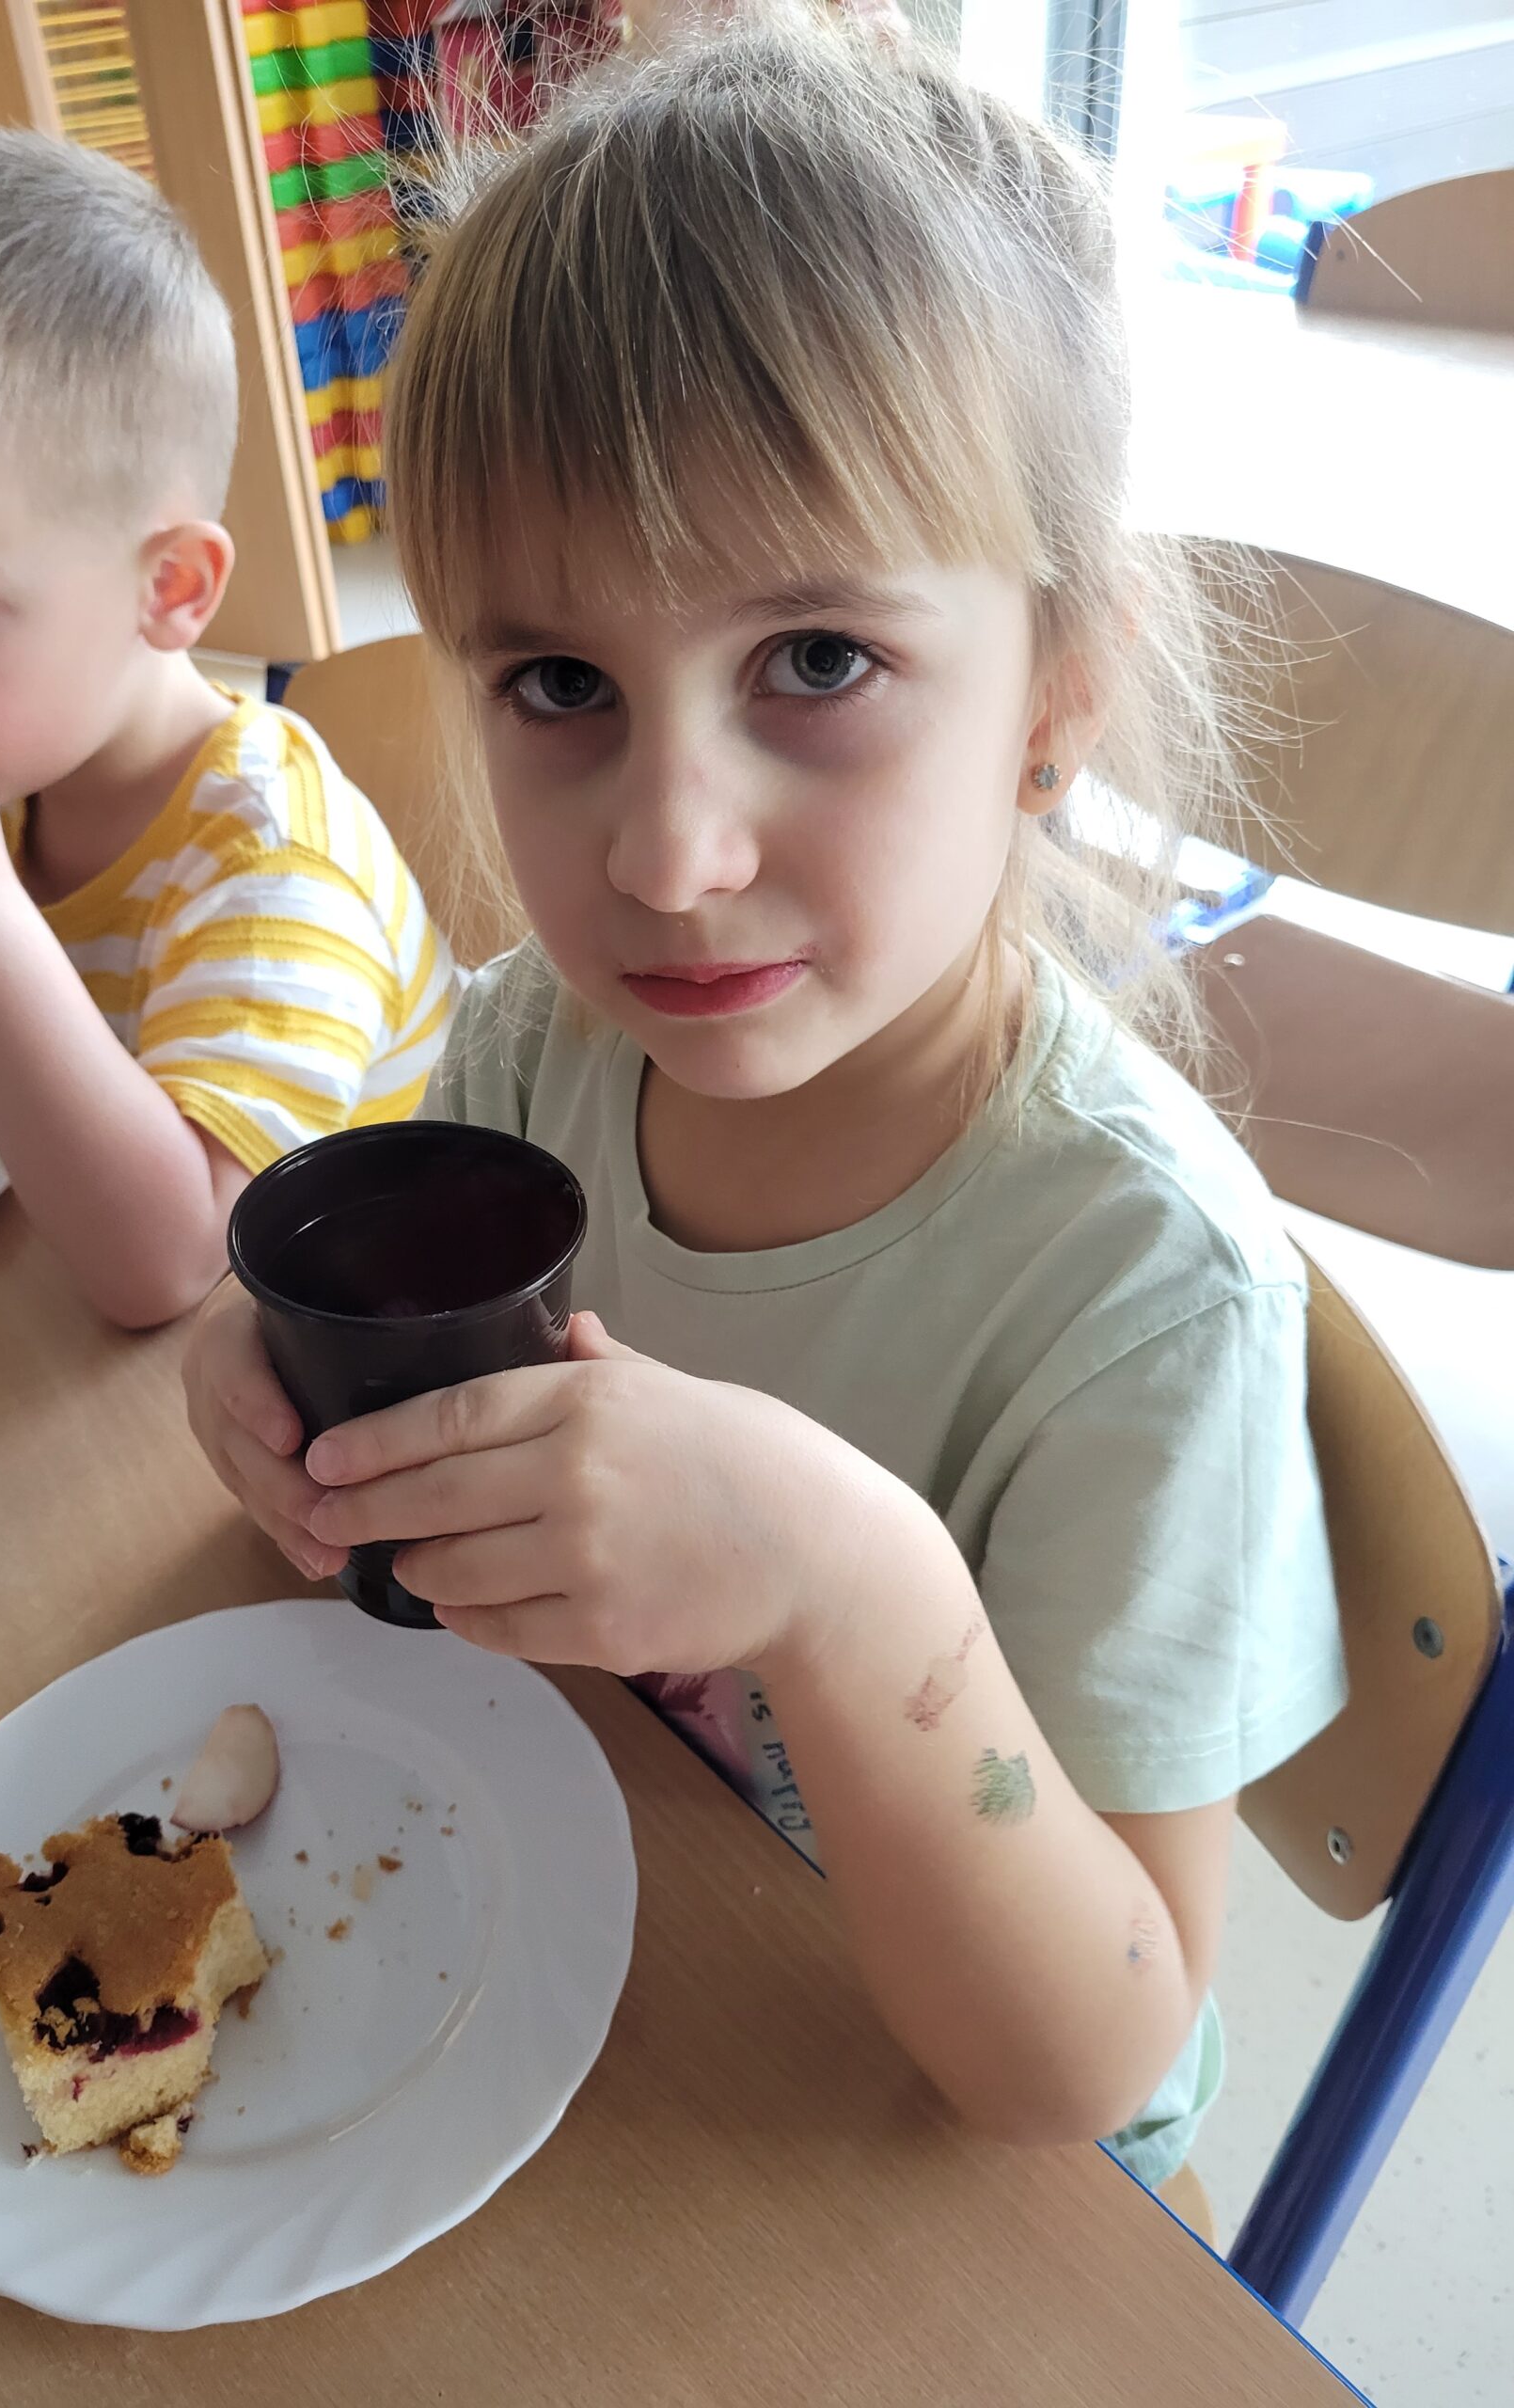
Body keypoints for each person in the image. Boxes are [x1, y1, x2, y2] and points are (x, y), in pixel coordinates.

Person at [181, 20, 1345, 2193]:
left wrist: (846, 1586)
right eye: (559, 682)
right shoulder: (530, 1051)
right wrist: (279, 1386)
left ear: (1055, 694)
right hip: (564, 1952)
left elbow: (1100, 2061)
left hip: (884, 2156)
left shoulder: (1136, 1291)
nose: (667, 851)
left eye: (815, 662)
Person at [0, 134, 455, 1327]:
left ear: (168, 589)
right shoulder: (0, 776)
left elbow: (169, 1264)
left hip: (369, 1331)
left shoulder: (271, 872)